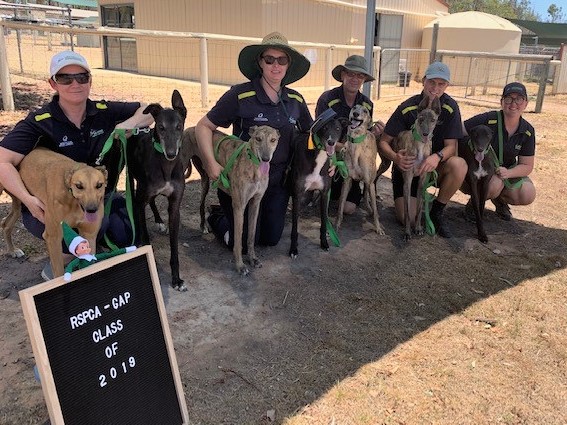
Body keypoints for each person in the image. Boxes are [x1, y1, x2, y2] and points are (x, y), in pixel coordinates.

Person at [0, 50, 153, 280]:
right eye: (65, 78)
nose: (75, 83)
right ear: (53, 83)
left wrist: (126, 126)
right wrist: (28, 200)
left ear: (90, 80)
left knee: (125, 232)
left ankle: (85, 253)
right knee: (65, 231)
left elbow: (151, 109)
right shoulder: (41, 121)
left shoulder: (103, 111)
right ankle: (63, 263)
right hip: (53, 200)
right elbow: (2, 161)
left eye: (82, 77)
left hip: (94, 194)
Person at [196, 32, 313, 248]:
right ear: (260, 62)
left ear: (289, 65)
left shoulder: (296, 99)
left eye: (282, 60)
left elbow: (311, 135)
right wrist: (211, 163)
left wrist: (332, 156)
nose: (275, 65)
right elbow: (204, 126)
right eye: (269, 59)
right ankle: (219, 218)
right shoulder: (240, 95)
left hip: (276, 180)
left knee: (269, 240)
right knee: (239, 241)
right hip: (244, 178)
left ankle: (237, 217)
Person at [378, 61, 466, 238]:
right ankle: (411, 206)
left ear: (447, 85)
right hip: (406, 166)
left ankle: (437, 211)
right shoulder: (408, 107)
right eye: (432, 82)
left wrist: (436, 157)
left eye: (441, 84)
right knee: (406, 220)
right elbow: (383, 142)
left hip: (434, 165)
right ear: (424, 81)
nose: (435, 88)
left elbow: (452, 146)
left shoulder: (449, 107)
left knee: (459, 165)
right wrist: (396, 158)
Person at [315, 55, 384, 214]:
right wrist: (342, 147)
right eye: (351, 74)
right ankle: (319, 189)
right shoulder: (327, 99)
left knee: (349, 208)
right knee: (323, 192)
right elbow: (319, 131)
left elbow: (364, 133)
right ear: (342, 75)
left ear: (364, 79)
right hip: (329, 155)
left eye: (360, 75)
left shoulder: (367, 104)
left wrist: (374, 133)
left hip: (351, 161)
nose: (355, 78)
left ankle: (350, 191)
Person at [462, 82, 536, 220]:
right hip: (480, 171)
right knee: (493, 184)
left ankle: (500, 200)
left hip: (505, 172)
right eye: (508, 98)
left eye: (519, 99)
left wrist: (509, 173)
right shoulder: (488, 119)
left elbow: (527, 165)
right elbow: (460, 130)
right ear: (501, 102)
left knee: (528, 193)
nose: (513, 103)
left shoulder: (527, 130)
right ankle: (474, 204)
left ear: (526, 103)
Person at [61, 221, 136, 281]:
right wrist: (68, 273)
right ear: (76, 251)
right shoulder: (79, 260)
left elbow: (108, 254)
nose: (87, 248)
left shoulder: (92, 257)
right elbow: (71, 265)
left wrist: (126, 250)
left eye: (87, 246)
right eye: (83, 247)